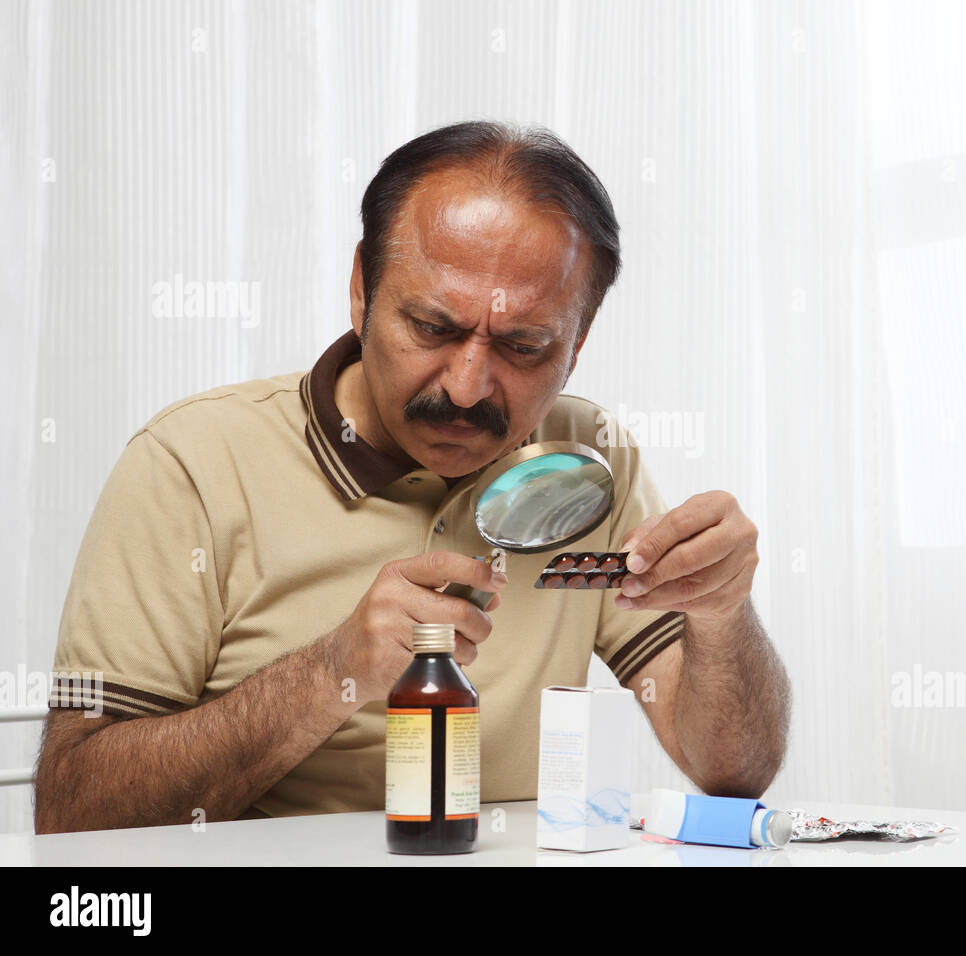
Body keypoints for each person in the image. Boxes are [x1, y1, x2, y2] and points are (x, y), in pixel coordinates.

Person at [34, 121, 791, 832]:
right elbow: (71, 814)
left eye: (524, 346)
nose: (466, 387)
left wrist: (721, 616)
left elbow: (732, 771)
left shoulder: (586, 456)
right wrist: (333, 672)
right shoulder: (192, 461)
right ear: (362, 287)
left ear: (579, 342)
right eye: (432, 328)